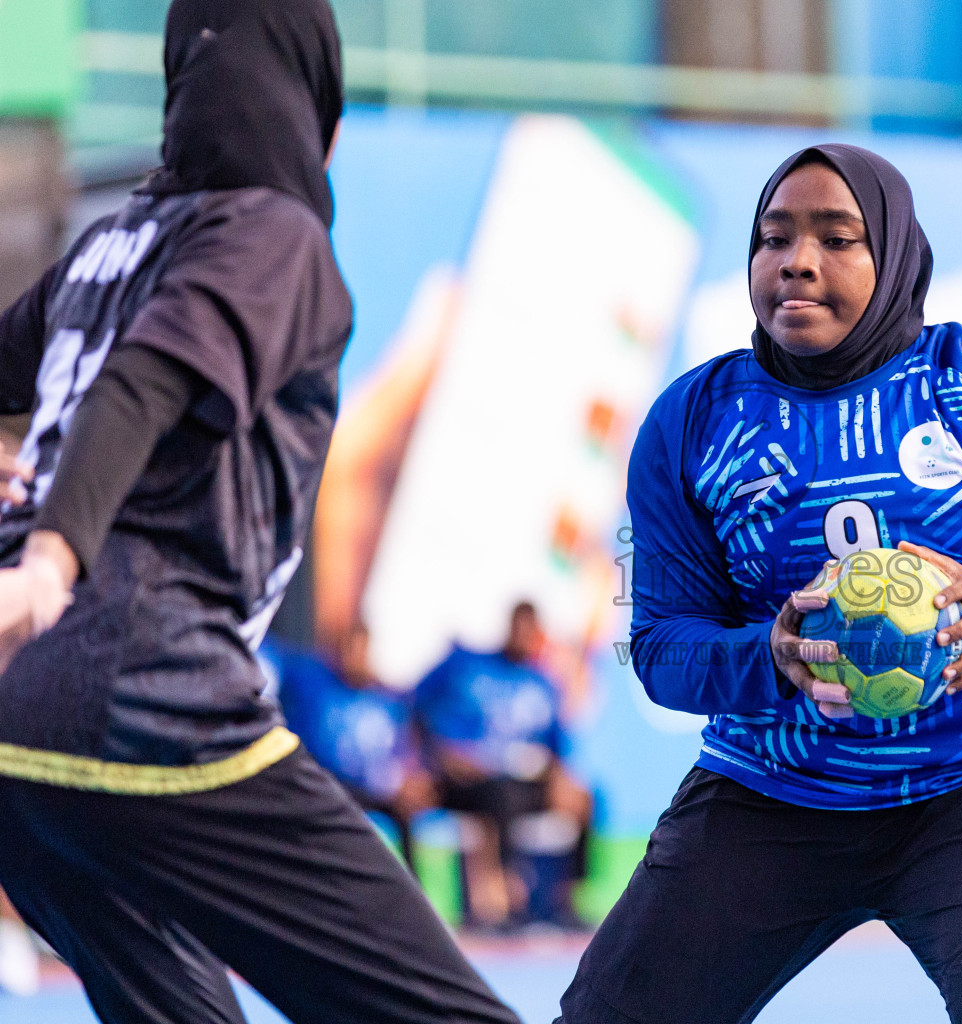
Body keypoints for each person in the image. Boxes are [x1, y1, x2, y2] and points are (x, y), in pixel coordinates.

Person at [556, 144, 962, 1024]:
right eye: (775, 238)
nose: (798, 260)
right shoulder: (692, 420)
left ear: (895, 258)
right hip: (772, 792)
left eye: (838, 238)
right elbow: (659, 647)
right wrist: (770, 655)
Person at [0, 2, 522, 1022]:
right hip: (140, 688)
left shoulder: (111, 245)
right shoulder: (273, 234)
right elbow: (144, 381)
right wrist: (53, 560)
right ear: (308, 99)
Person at [416, 603, 593, 931]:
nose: (523, 636)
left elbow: (556, 751)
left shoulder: (543, 683)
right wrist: (441, 755)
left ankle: (568, 900)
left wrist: (559, 777)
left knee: (583, 798)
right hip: (471, 783)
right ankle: (505, 899)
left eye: (531, 630)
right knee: (502, 796)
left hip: (524, 780)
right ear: (508, 627)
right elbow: (417, 708)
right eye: (518, 627)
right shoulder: (469, 668)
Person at [274, 623, 437, 871]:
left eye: (360, 651)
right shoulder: (318, 698)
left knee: (408, 809)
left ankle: (410, 889)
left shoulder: (389, 702)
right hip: (335, 785)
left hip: (383, 790)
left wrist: (413, 779)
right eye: (347, 650)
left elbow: (407, 753)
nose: (353, 659)